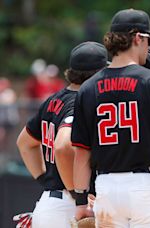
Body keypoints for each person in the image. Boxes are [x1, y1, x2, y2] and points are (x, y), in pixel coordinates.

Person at [71, 8, 150, 227]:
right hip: (146, 186)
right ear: (137, 38)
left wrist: (80, 200)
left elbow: (81, 153)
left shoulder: (87, 89)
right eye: (148, 40)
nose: (149, 47)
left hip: (105, 187)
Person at [16, 41, 108, 228]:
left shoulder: (55, 99)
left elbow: (24, 143)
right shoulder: (78, 102)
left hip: (51, 202)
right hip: (70, 205)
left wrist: (45, 179)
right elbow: (63, 146)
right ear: (97, 73)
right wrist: (77, 195)